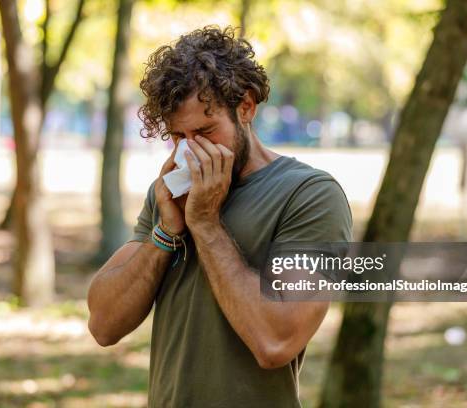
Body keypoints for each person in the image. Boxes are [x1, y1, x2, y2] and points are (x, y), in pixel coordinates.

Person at [87, 26, 352, 407]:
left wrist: (207, 225)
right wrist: (166, 232)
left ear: (245, 107)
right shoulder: (171, 193)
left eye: (205, 131)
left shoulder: (309, 195)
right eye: (178, 136)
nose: (190, 151)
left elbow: (275, 342)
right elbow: (103, 324)